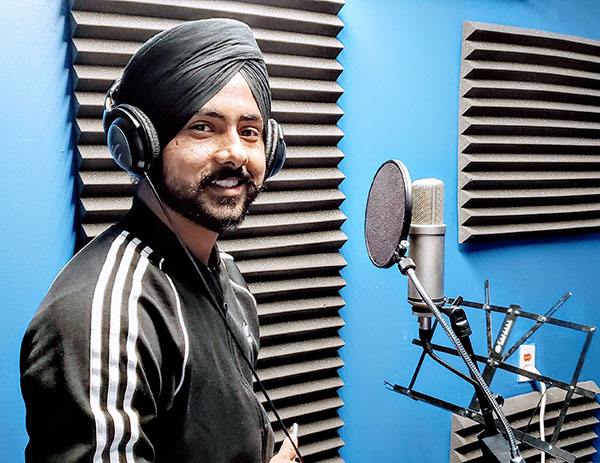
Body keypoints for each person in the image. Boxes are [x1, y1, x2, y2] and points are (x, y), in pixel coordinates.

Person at [20, 18, 298, 463]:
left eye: (250, 131)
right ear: (140, 146)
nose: (235, 152)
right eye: (203, 127)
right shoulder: (104, 319)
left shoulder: (227, 276)